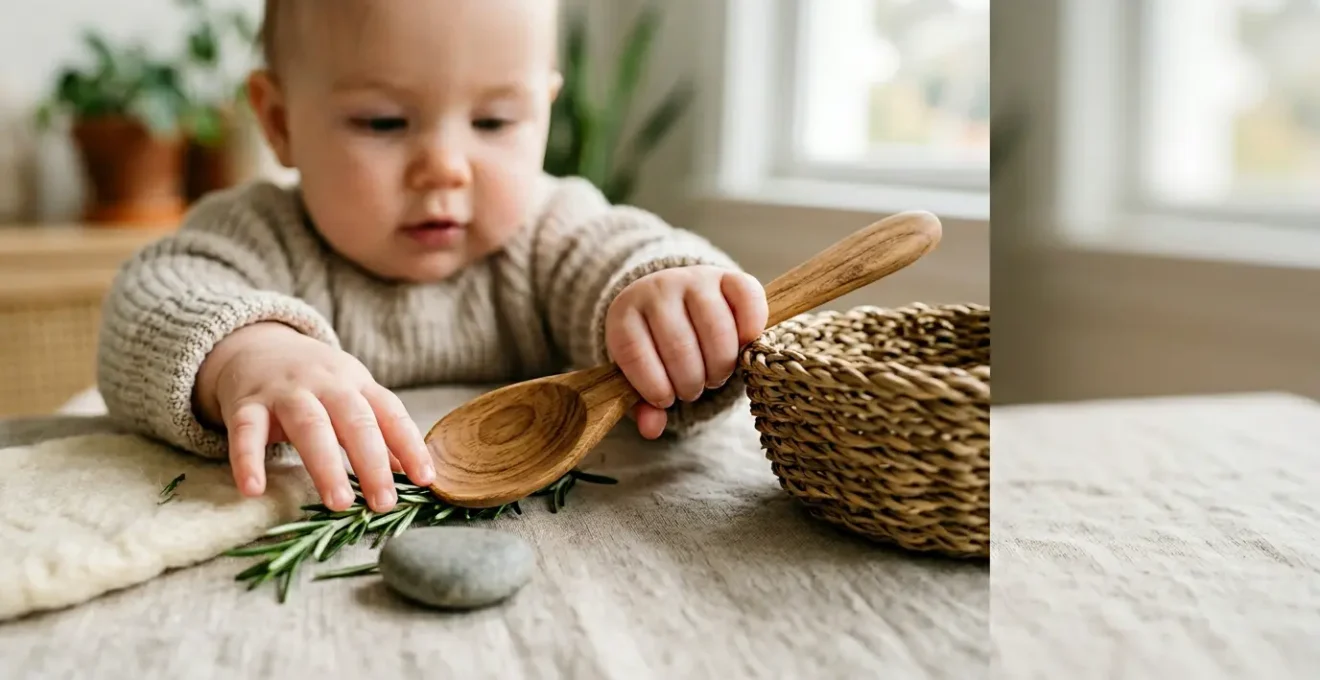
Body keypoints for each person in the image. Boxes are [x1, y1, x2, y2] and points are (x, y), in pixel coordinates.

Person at [96, 0, 767, 517]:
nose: (445, 168)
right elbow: (148, 301)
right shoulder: (262, 232)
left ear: (544, 112)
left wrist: (670, 296)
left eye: (495, 122)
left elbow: (630, 251)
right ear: (280, 121)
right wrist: (248, 355)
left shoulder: (549, 229)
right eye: (384, 122)